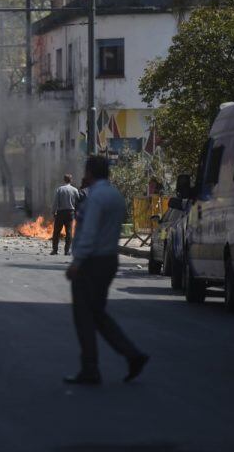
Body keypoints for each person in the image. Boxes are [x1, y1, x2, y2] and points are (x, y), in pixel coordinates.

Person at [64, 156, 149, 385]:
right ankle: (133, 355)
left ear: (90, 172)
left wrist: (77, 262)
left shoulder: (96, 198)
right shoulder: (115, 196)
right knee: (98, 313)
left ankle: (90, 368)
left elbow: (89, 231)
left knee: (84, 315)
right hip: (109, 259)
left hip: (92, 262)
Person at [51, 174, 79, 255]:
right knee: (69, 232)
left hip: (60, 213)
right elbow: (78, 202)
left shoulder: (60, 189)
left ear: (64, 180)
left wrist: (53, 212)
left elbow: (55, 202)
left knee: (56, 232)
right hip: (70, 213)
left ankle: (55, 250)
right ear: (71, 180)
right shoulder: (75, 190)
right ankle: (67, 251)